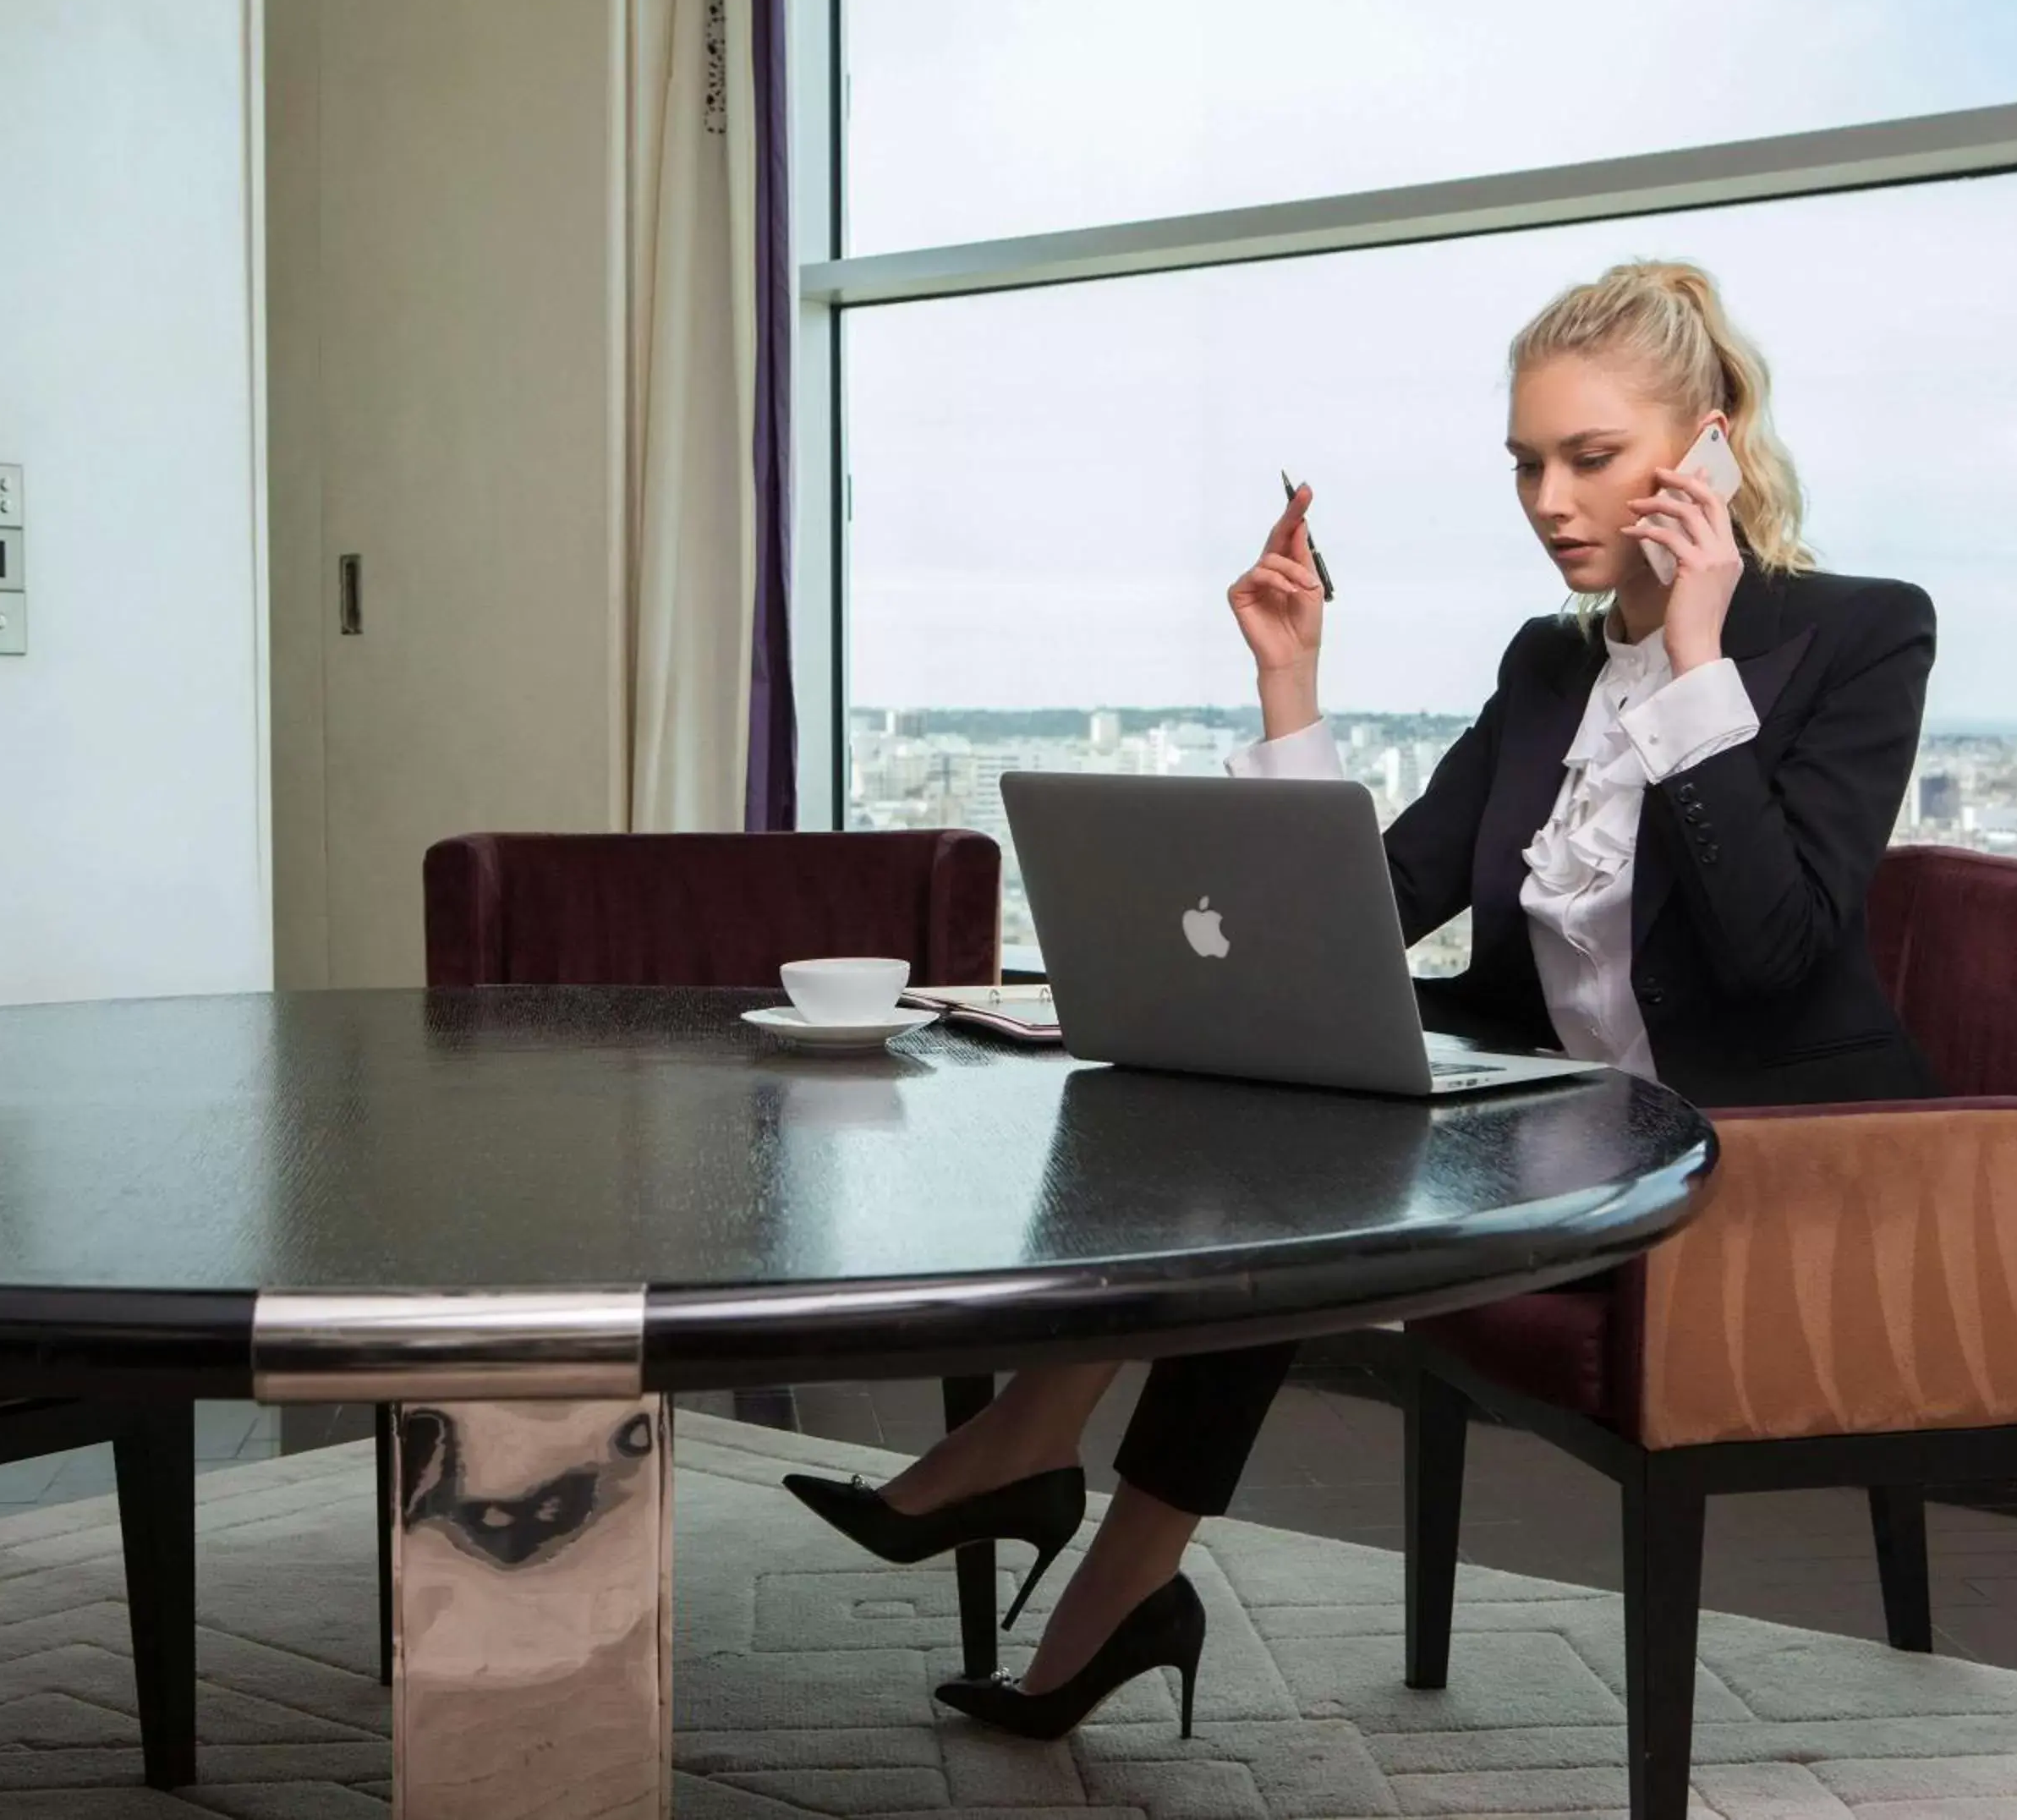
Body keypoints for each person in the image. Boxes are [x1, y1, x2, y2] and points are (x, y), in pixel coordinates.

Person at [787, 259, 1942, 1739]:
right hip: (1564, 1118)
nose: (1549, 497)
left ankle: (1047, 1468)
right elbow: (1380, 906)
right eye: (1527, 461)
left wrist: (1700, 655)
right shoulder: (1548, 664)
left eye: (1591, 457)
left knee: (1295, 1149)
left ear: (1707, 444)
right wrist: (1290, 681)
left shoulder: (1857, 633)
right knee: (1258, 1106)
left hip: (1763, 1146)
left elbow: (1777, 949)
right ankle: (1102, 1546)